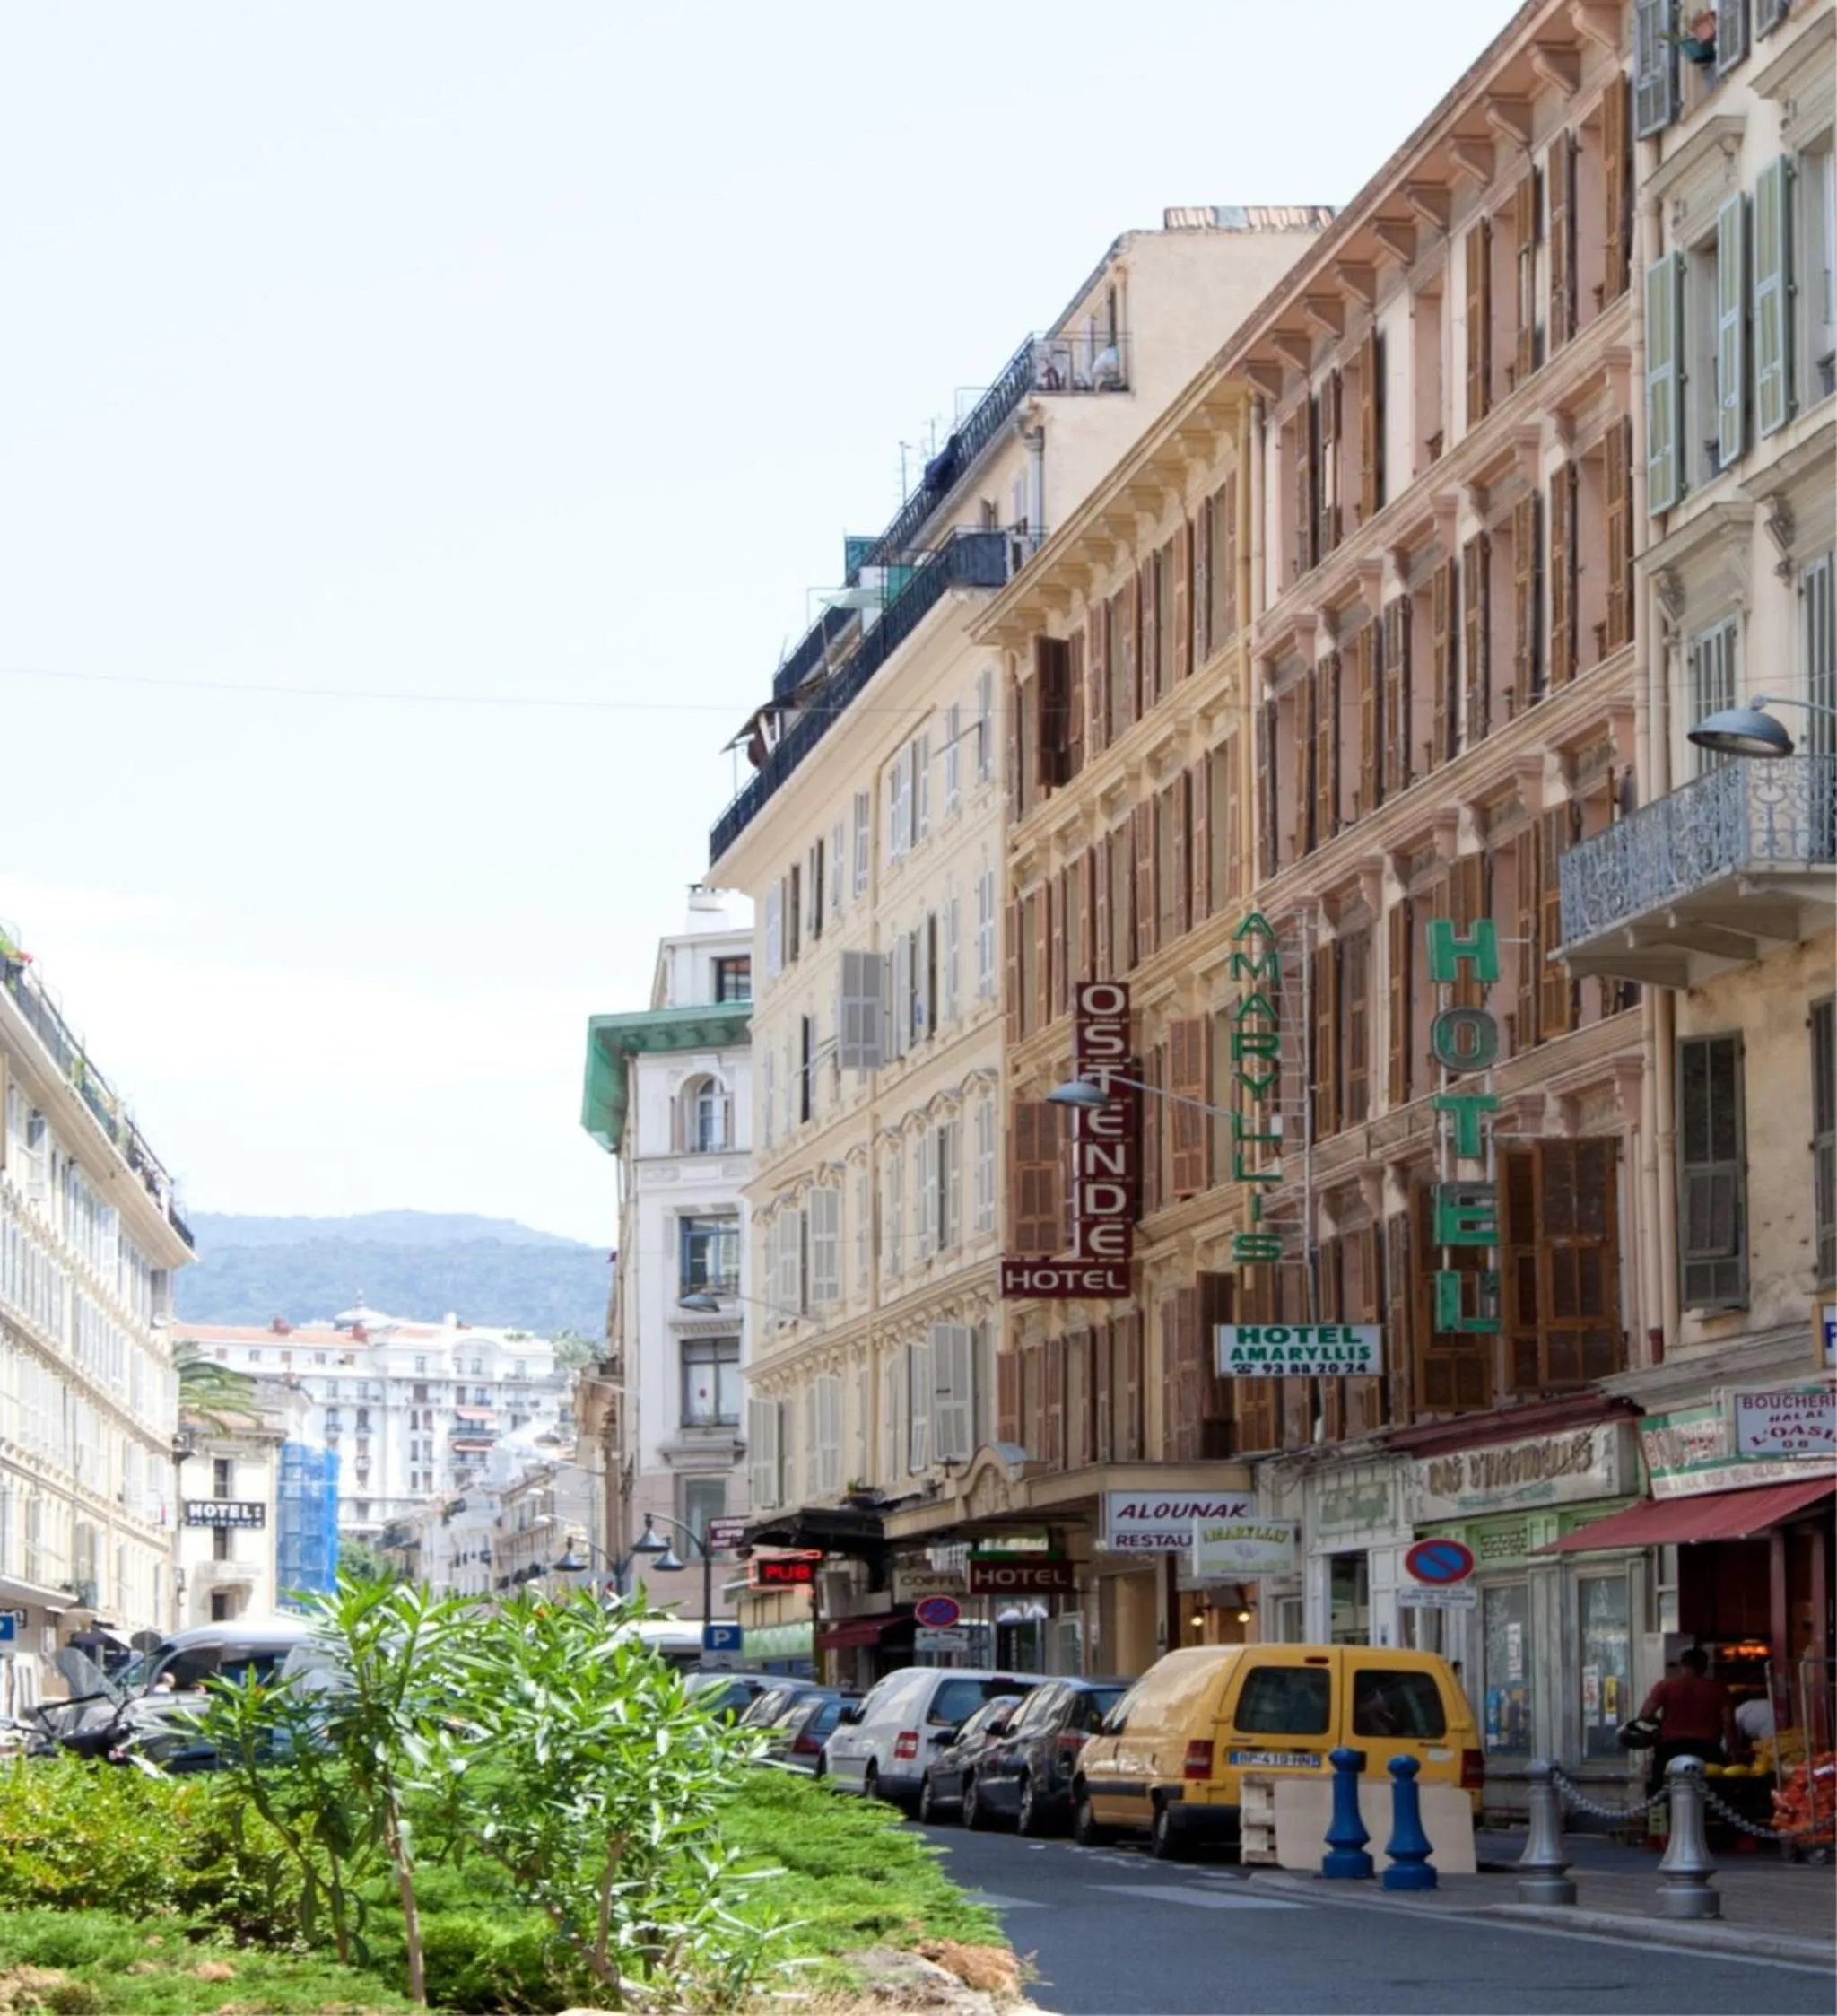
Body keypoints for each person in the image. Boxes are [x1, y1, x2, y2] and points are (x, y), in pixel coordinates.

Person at [1638, 1646, 1733, 1795]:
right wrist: (1733, 1750)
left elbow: (1645, 1715)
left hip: (1671, 1748)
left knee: (1660, 1789)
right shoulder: (1719, 1689)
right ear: (1704, 1666)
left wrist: (1659, 1724)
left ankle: (1661, 1816)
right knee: (1713, 1792)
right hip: (1707, 1748)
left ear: (1682, 1665)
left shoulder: (1665, 1686)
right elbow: (1728, 1723)